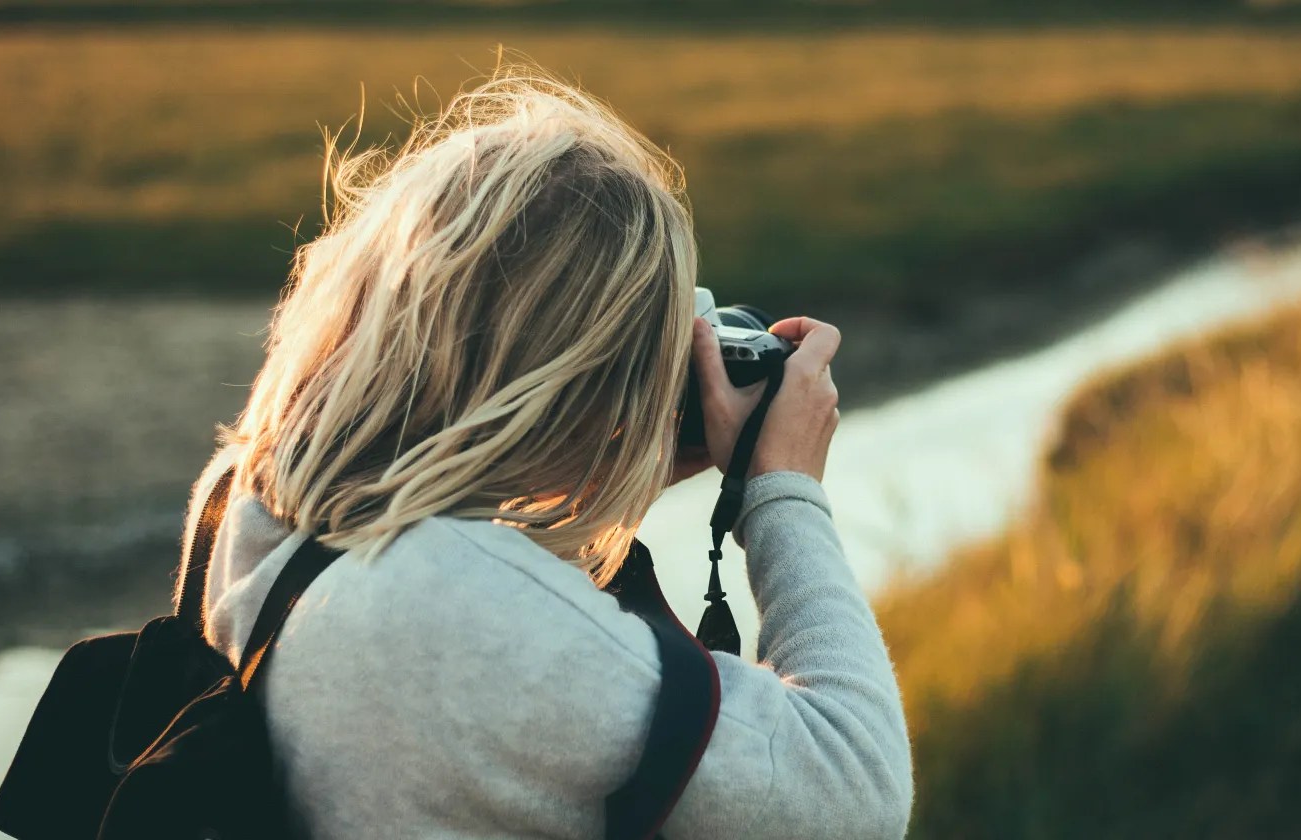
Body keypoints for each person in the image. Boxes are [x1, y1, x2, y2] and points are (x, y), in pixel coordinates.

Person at [186, 69, 913, 838]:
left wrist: (602, 465)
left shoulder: (251, 502)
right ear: (577, 370)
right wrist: (783, 490)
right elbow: (855, 787)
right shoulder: (454, 610)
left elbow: (488, 720)